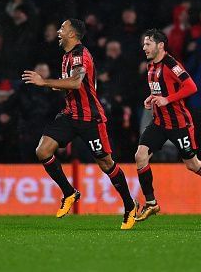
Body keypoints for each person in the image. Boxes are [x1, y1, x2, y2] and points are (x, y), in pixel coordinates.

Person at [21, 19, 139, 230]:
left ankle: (130, 206)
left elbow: (76, 82)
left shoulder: (80, 55)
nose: (58, 31)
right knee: (42, 151)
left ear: (73, 34)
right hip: (70, 114)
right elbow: (76, 84)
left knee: (106, 164)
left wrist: (45, 82)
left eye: (62, 29)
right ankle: (69, 192)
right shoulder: (67, 56)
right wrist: (57, 85)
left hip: (90, 118)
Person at [134, 29, 201, 222]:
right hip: (159, 122)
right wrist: (152, 98)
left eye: (148, 44)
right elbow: (160, 91)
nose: (144, 47)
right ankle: (151, 203)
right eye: (144, 44)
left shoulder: (172, 64)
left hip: (179, 124)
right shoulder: (150, 66)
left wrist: (167, 99)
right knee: (140, 155)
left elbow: (191, 87)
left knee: (192, 164)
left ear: (160, 45)